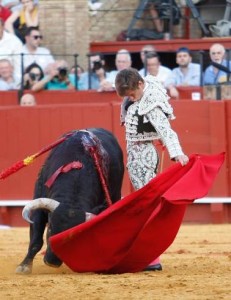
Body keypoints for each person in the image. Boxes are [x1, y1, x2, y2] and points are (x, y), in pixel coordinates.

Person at [115, 67, 189, 271]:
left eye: (132, 94)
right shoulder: (145, 83)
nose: (131, 98)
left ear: (140, 85)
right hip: (140, 152)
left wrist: (177, 153)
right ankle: (149, 255)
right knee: (146, 202)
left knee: (147, 205)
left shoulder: (151, 102)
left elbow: (166, 130)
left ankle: (151, 258)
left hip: (143, 155)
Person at [0, 17, 23, 85]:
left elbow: (19, 66)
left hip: (9, 80)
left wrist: (16, 83)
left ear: (3, 27)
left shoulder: (15, 41)